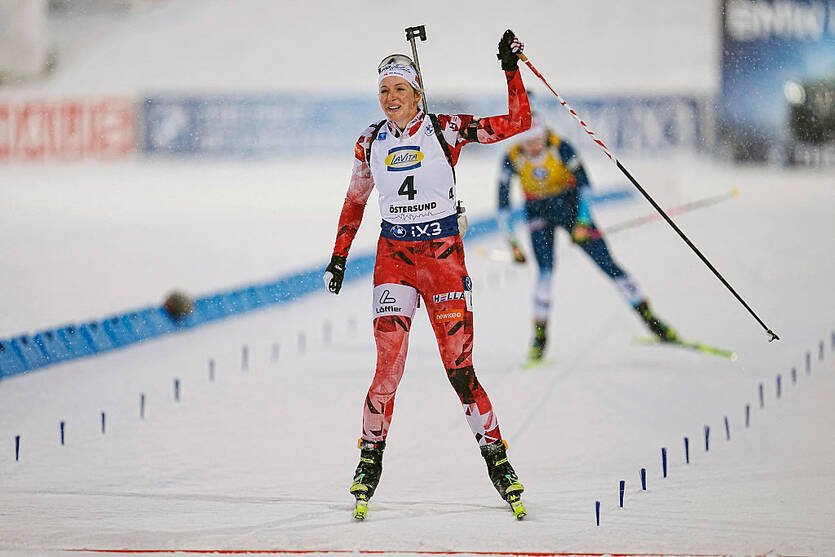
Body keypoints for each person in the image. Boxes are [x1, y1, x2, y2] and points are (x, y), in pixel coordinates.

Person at [323, 30, 531, 519]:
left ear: (417, 93)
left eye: (400, 89)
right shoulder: (369, 141)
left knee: (460, 370)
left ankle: (497, 460)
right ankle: (369, 460)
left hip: (442, 260)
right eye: (384, 91)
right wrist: (338, 255)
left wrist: (510, 68)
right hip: (393, 258)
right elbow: (356, 200)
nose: (391, 98)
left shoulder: (446, 129)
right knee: (387, 367)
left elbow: (518, 122)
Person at [497, 115, 678, 362]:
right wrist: (513, 244)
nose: (534, 147)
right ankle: (539, 341)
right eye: (528, 143)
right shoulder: (512, 157)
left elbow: (586, 187)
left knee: (608, 265)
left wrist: (583, 222)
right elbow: (503, 206)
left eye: (538, 140)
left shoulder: (561, 146)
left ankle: (652, 321)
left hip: (571, 208)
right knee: (545, 272)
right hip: (538, 212)